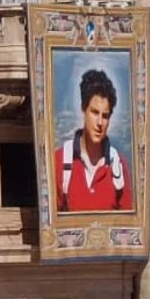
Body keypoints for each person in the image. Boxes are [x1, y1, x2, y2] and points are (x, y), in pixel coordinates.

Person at [56, 68, 130, 213]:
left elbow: (127, 227)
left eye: (105, 116)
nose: (100, 122)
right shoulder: (59, 161)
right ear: (83, 110)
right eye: (95, 112)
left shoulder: (118, 165)